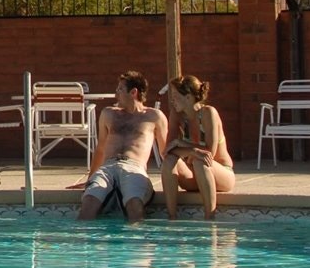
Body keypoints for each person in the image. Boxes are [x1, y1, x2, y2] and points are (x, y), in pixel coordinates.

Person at [75, 71, 169, 222]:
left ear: (133, 92)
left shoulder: (154, 116)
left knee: (134, 205)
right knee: (89, 202)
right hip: (107, 167)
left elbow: (166, 152)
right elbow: (101, 148)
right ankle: (84, 237)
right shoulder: (108, 114)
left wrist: (178, 180)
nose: (116, 94)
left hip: (134, 167)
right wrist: (90, 178)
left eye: (120, 89)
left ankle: (135, 237)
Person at [162, 74, 236, 220]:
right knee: (169, 161)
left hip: (219, 173)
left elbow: (209, 153)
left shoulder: (208, 113)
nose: (172, 100)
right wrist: (191, 150)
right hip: (194, 174)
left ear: (188, 97)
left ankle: (210, 217)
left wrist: (184, 145)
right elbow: (169, 149)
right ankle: (172, 217)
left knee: (200, 161)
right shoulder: (177, 114)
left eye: (175, 96)